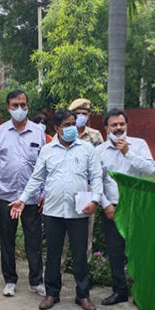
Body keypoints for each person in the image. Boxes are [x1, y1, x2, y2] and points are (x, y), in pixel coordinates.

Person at [8, 108, 104, 310]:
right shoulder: (47, 151)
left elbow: (96, 177)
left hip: (79, 211)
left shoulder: (87, 149)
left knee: (80, 255)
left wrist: (95, 200)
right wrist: (23, 199)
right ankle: (52, 293)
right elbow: (36, 178)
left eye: (73, 124)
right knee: (53, 254)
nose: (71, 128)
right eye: (66, 125)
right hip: (52, 211)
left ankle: (83, 295)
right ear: (56, 128)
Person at [0, 90, 46, 297]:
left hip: (31, 198)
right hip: (5, 195)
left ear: (28, 106)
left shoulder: (38, 132)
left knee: (34, 240)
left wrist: (43, 192)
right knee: (7, 240)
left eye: (23, 105)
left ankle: (36, 281)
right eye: (15, 105)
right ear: (8, 108)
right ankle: (10, 280)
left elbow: (45, 166)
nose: (19, 109)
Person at [97, 109, 155, 305]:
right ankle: (120, 291)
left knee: (138, 250)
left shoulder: (138, 145)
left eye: (122, 124)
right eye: (114, 125)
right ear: (106, 128)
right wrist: (105, 205)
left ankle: (140, 292)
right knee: (115, 252)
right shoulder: (99, 152)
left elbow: (150, 169)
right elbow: (97, 181)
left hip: (137, 207)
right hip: (113, 208)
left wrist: (128, 153)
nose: (119, 128)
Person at [62, 98, 104, 265]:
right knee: (63, 232)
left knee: (86, 232)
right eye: (77, 114)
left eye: (84, 114)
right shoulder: (62, 134)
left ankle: (84, 271)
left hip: (86, 188)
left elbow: (99, 166)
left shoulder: (95, 136)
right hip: (65, 187)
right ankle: (59, 269)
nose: (81, 117)